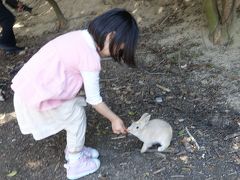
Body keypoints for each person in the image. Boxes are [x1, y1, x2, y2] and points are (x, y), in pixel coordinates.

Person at [11, 8, 139, 179]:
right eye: (119, 49)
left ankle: (74, 147)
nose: (118, 54)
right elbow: (94, 99)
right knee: (76, 115)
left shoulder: (79, 36)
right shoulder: (90, 58)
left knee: (76, 103)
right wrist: (114, 119)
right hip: (34, 98)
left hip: (28, 87)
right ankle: (75, 162)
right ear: (110, 37)